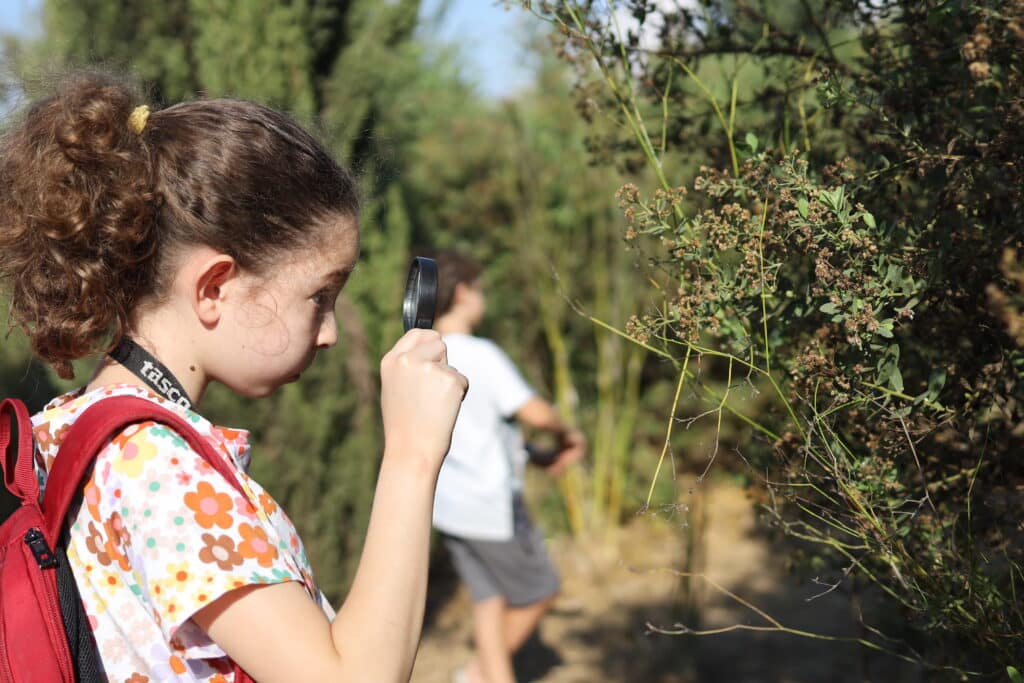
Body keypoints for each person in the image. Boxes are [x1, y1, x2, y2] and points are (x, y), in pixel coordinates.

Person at [0, 72, 467, 682]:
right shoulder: (160, 471)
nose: (327, 332)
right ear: (214, 288)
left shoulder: (72, 426)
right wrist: (410, 454)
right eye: (319, 295)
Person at [427, 250, 586, 683]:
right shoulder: (479, 353)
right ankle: (481, 674)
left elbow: (480, 431)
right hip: (490, 505)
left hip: (449, 505)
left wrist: (530, 453)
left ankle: (486, 678)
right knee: (540, 590)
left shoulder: (423, 355)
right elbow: (534, 412)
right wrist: (567, 434)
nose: (483, 299)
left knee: (488, 598)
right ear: (462, 293)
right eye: (479, 289)